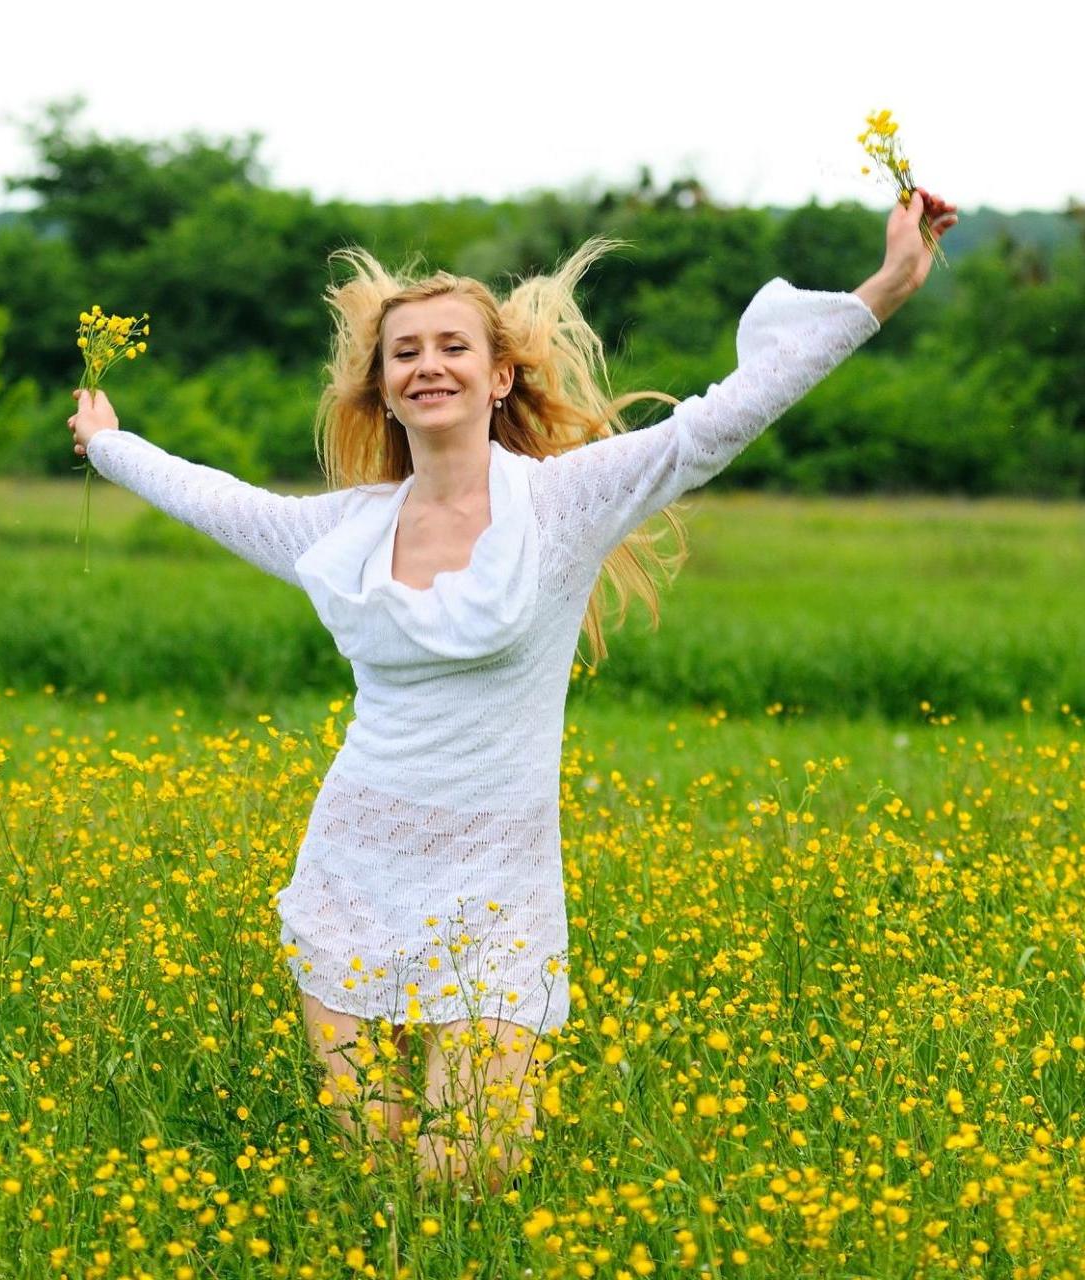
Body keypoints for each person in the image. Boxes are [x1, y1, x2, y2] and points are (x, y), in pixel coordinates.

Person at [66, 191, 958, 1194]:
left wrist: (885, 287)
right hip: (353, 868)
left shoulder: (563, 505)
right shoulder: (342, 532)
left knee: (471, 1172)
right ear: (384, 390)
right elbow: (215, 499)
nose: (427, 364)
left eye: (452, 346)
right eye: (404, 353)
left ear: (498, 378)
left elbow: (712, 426)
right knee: (381, 1172)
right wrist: (107, 442)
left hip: (498, 888)